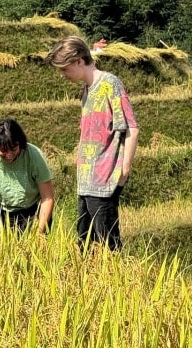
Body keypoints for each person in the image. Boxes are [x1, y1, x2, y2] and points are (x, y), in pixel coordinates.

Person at [47, 36, 139, 251]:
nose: (63, 75)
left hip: (105, 179)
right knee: (84, 244)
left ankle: (119, 283)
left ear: (79, 61)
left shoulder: (109, 84)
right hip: (87, 179)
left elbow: (131, 128)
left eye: (65, 69)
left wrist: (124, 170)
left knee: (109, 245)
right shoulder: (86, 91)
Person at [0, 118, 54, 236]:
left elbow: (47, 197)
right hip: (1, 212)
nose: (9, 155)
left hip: (32, 212)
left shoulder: (34, 155)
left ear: (20, 144)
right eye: (3, 150)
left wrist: (39, 233)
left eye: (13, 149)